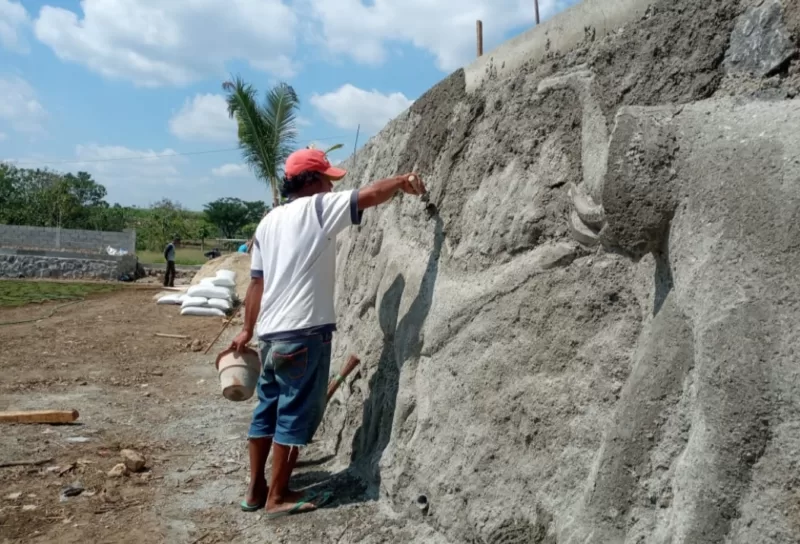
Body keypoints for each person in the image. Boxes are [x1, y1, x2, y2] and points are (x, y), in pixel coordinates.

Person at [230, 148, 426, 518]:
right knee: (295, 414)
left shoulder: (268, 222)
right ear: (312, 182)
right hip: (305, 332)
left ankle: (255, 491)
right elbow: (369, 194)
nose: (331, 185)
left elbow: (256, 284)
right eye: (327, 179)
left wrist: (246, 330)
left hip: (271, 336)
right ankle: (278, 495)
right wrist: (401, 182)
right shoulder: (318, 208)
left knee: (267, 411)